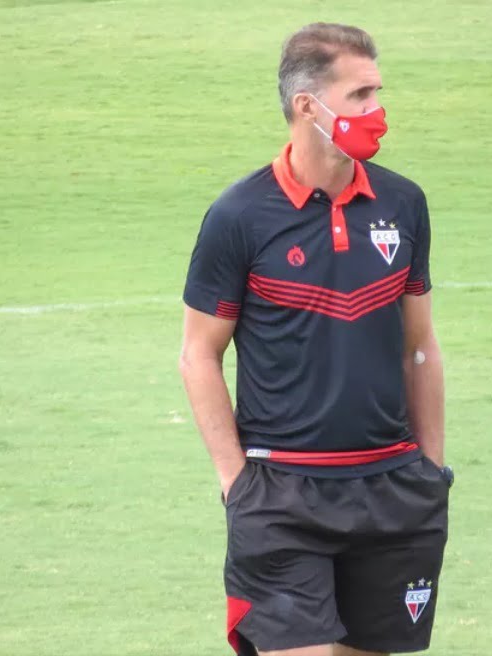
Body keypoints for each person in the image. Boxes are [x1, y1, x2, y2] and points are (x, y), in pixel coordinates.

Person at [179, 22, 450, 656]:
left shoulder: (403, 204)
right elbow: (199, 354)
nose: (376, 111)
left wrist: (431, 468)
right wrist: (234, 480)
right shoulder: (239, 217)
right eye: (359, 96)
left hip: (392, 489)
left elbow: (420, 347)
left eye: (378, 92)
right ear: (308, 106)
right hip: (281, 495)